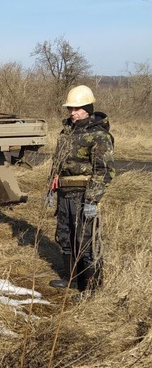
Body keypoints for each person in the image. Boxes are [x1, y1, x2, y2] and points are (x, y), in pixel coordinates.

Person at [48, 85, 114, 296]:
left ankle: (90, 288)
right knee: (65, 237)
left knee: (86, 240)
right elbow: (57, 163)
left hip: (83, 196)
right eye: (70, 109)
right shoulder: (66, 132)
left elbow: (103, 170)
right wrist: (51, 188)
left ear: (88, 109)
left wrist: (92, 201)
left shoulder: (99, 136)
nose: (72, 113)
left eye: (77, 109)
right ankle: (71, 280)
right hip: (64, 194)